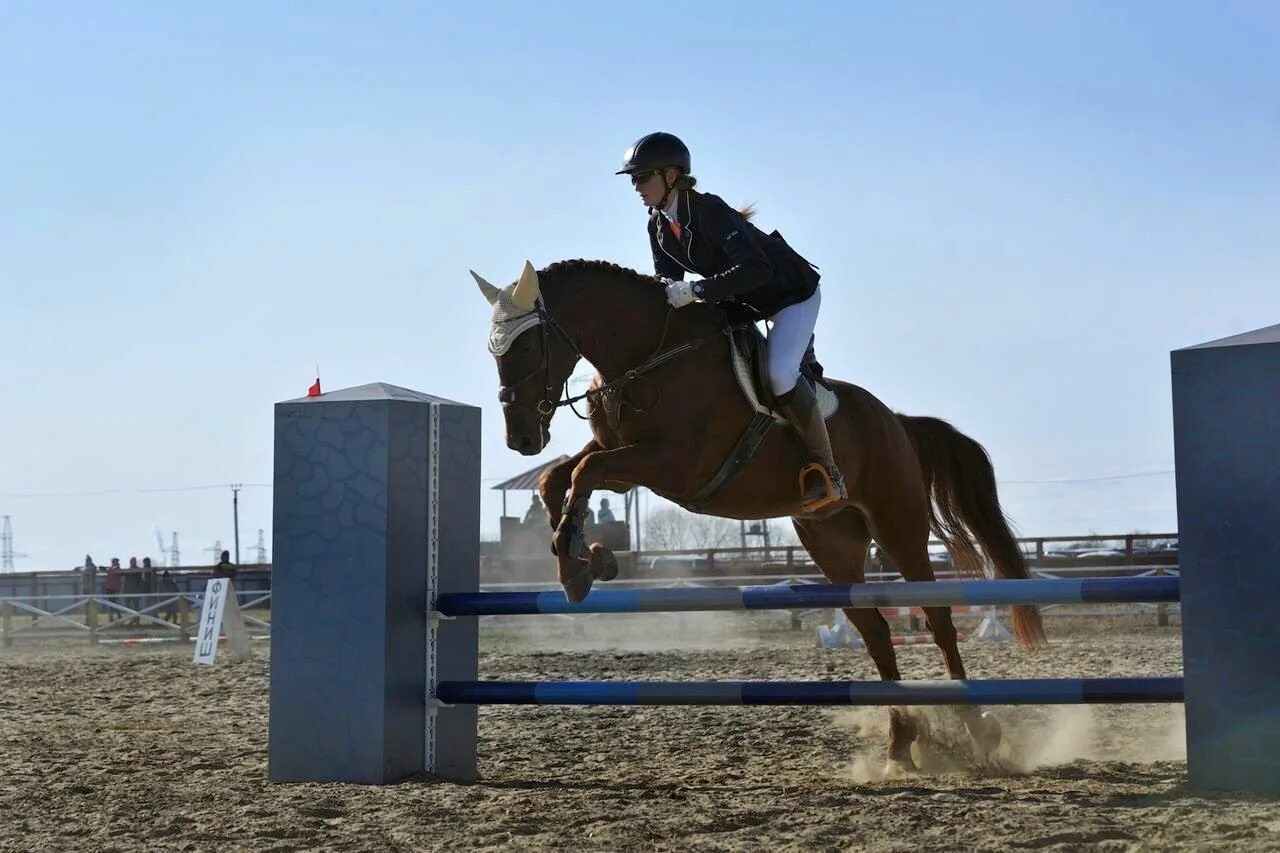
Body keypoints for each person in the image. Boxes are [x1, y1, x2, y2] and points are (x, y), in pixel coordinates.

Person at [616, 131, 847, 511]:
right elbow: (669, 285)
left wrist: (698, 291)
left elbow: (756, 269)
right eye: (633, 180)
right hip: (740, 305)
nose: (636, 187)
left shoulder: (708, 210)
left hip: (788, 295)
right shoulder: (657, 227)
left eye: (642, 178)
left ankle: (828, 470)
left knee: (780, 376)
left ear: (671, 175)